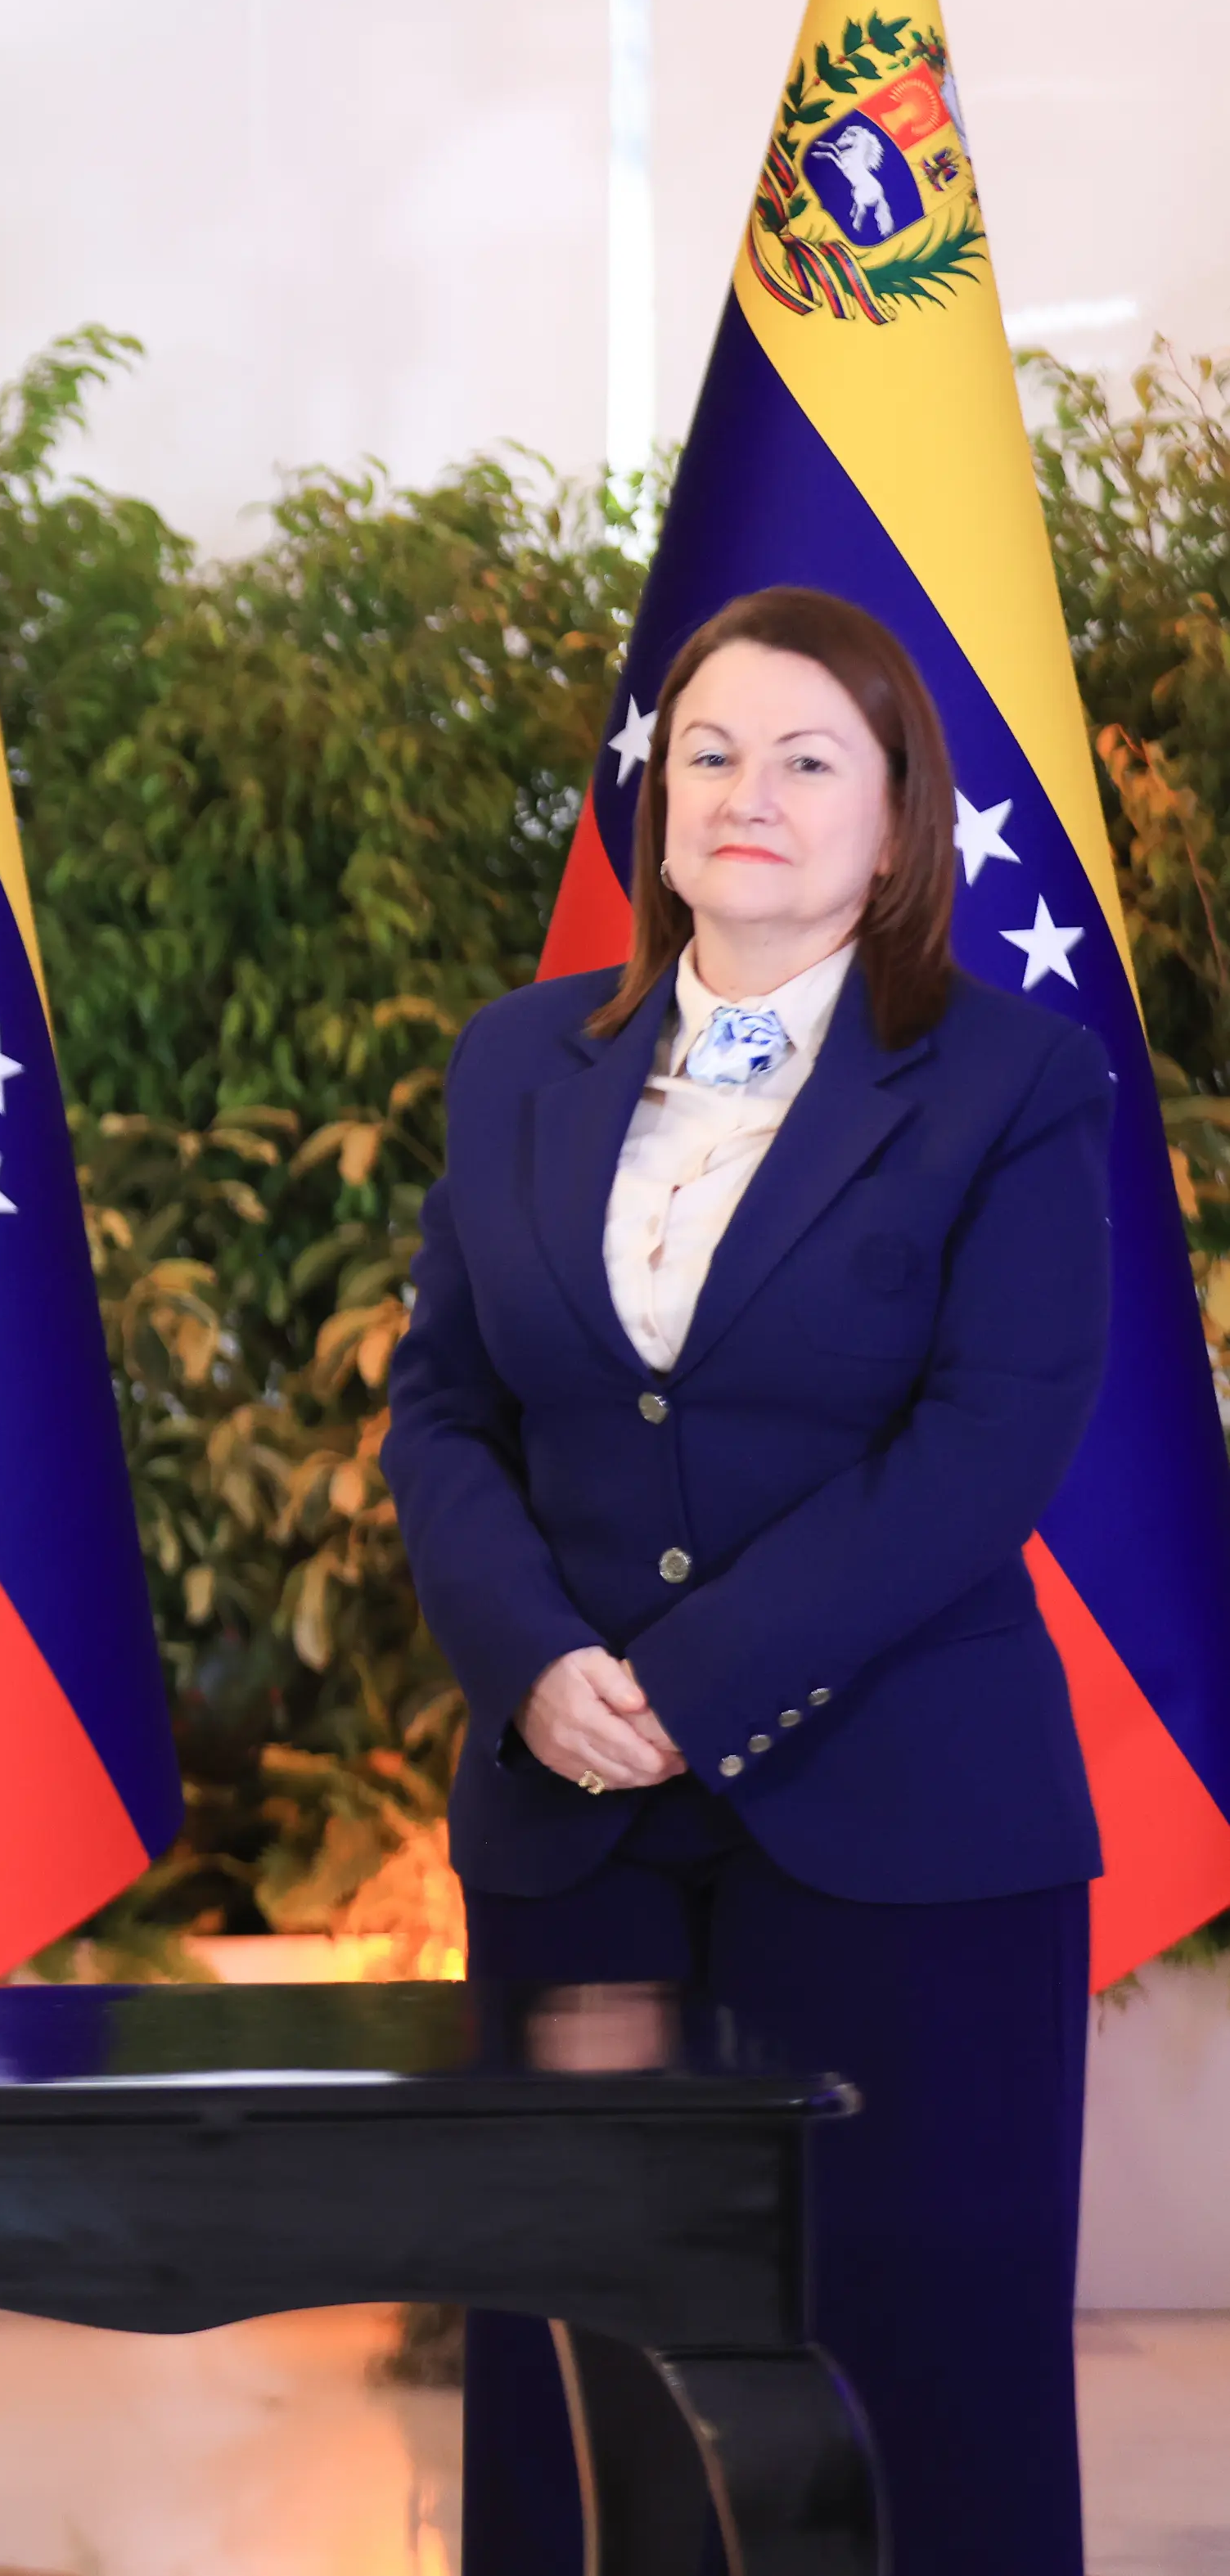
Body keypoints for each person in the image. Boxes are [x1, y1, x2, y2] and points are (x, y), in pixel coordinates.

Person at [383, 585, 1113, 2569]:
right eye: (707, 752)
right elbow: (444, 1410)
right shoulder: (520, 1060)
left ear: (896, 823)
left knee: (912, 2383)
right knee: (575, 2382)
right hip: (572, 1830)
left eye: (809, 760)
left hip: (905, 1828)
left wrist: (685, 1694)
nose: (748, 794)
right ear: (655, 801)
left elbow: (988, 1445)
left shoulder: (1010, 1083)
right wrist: (536, 1665)